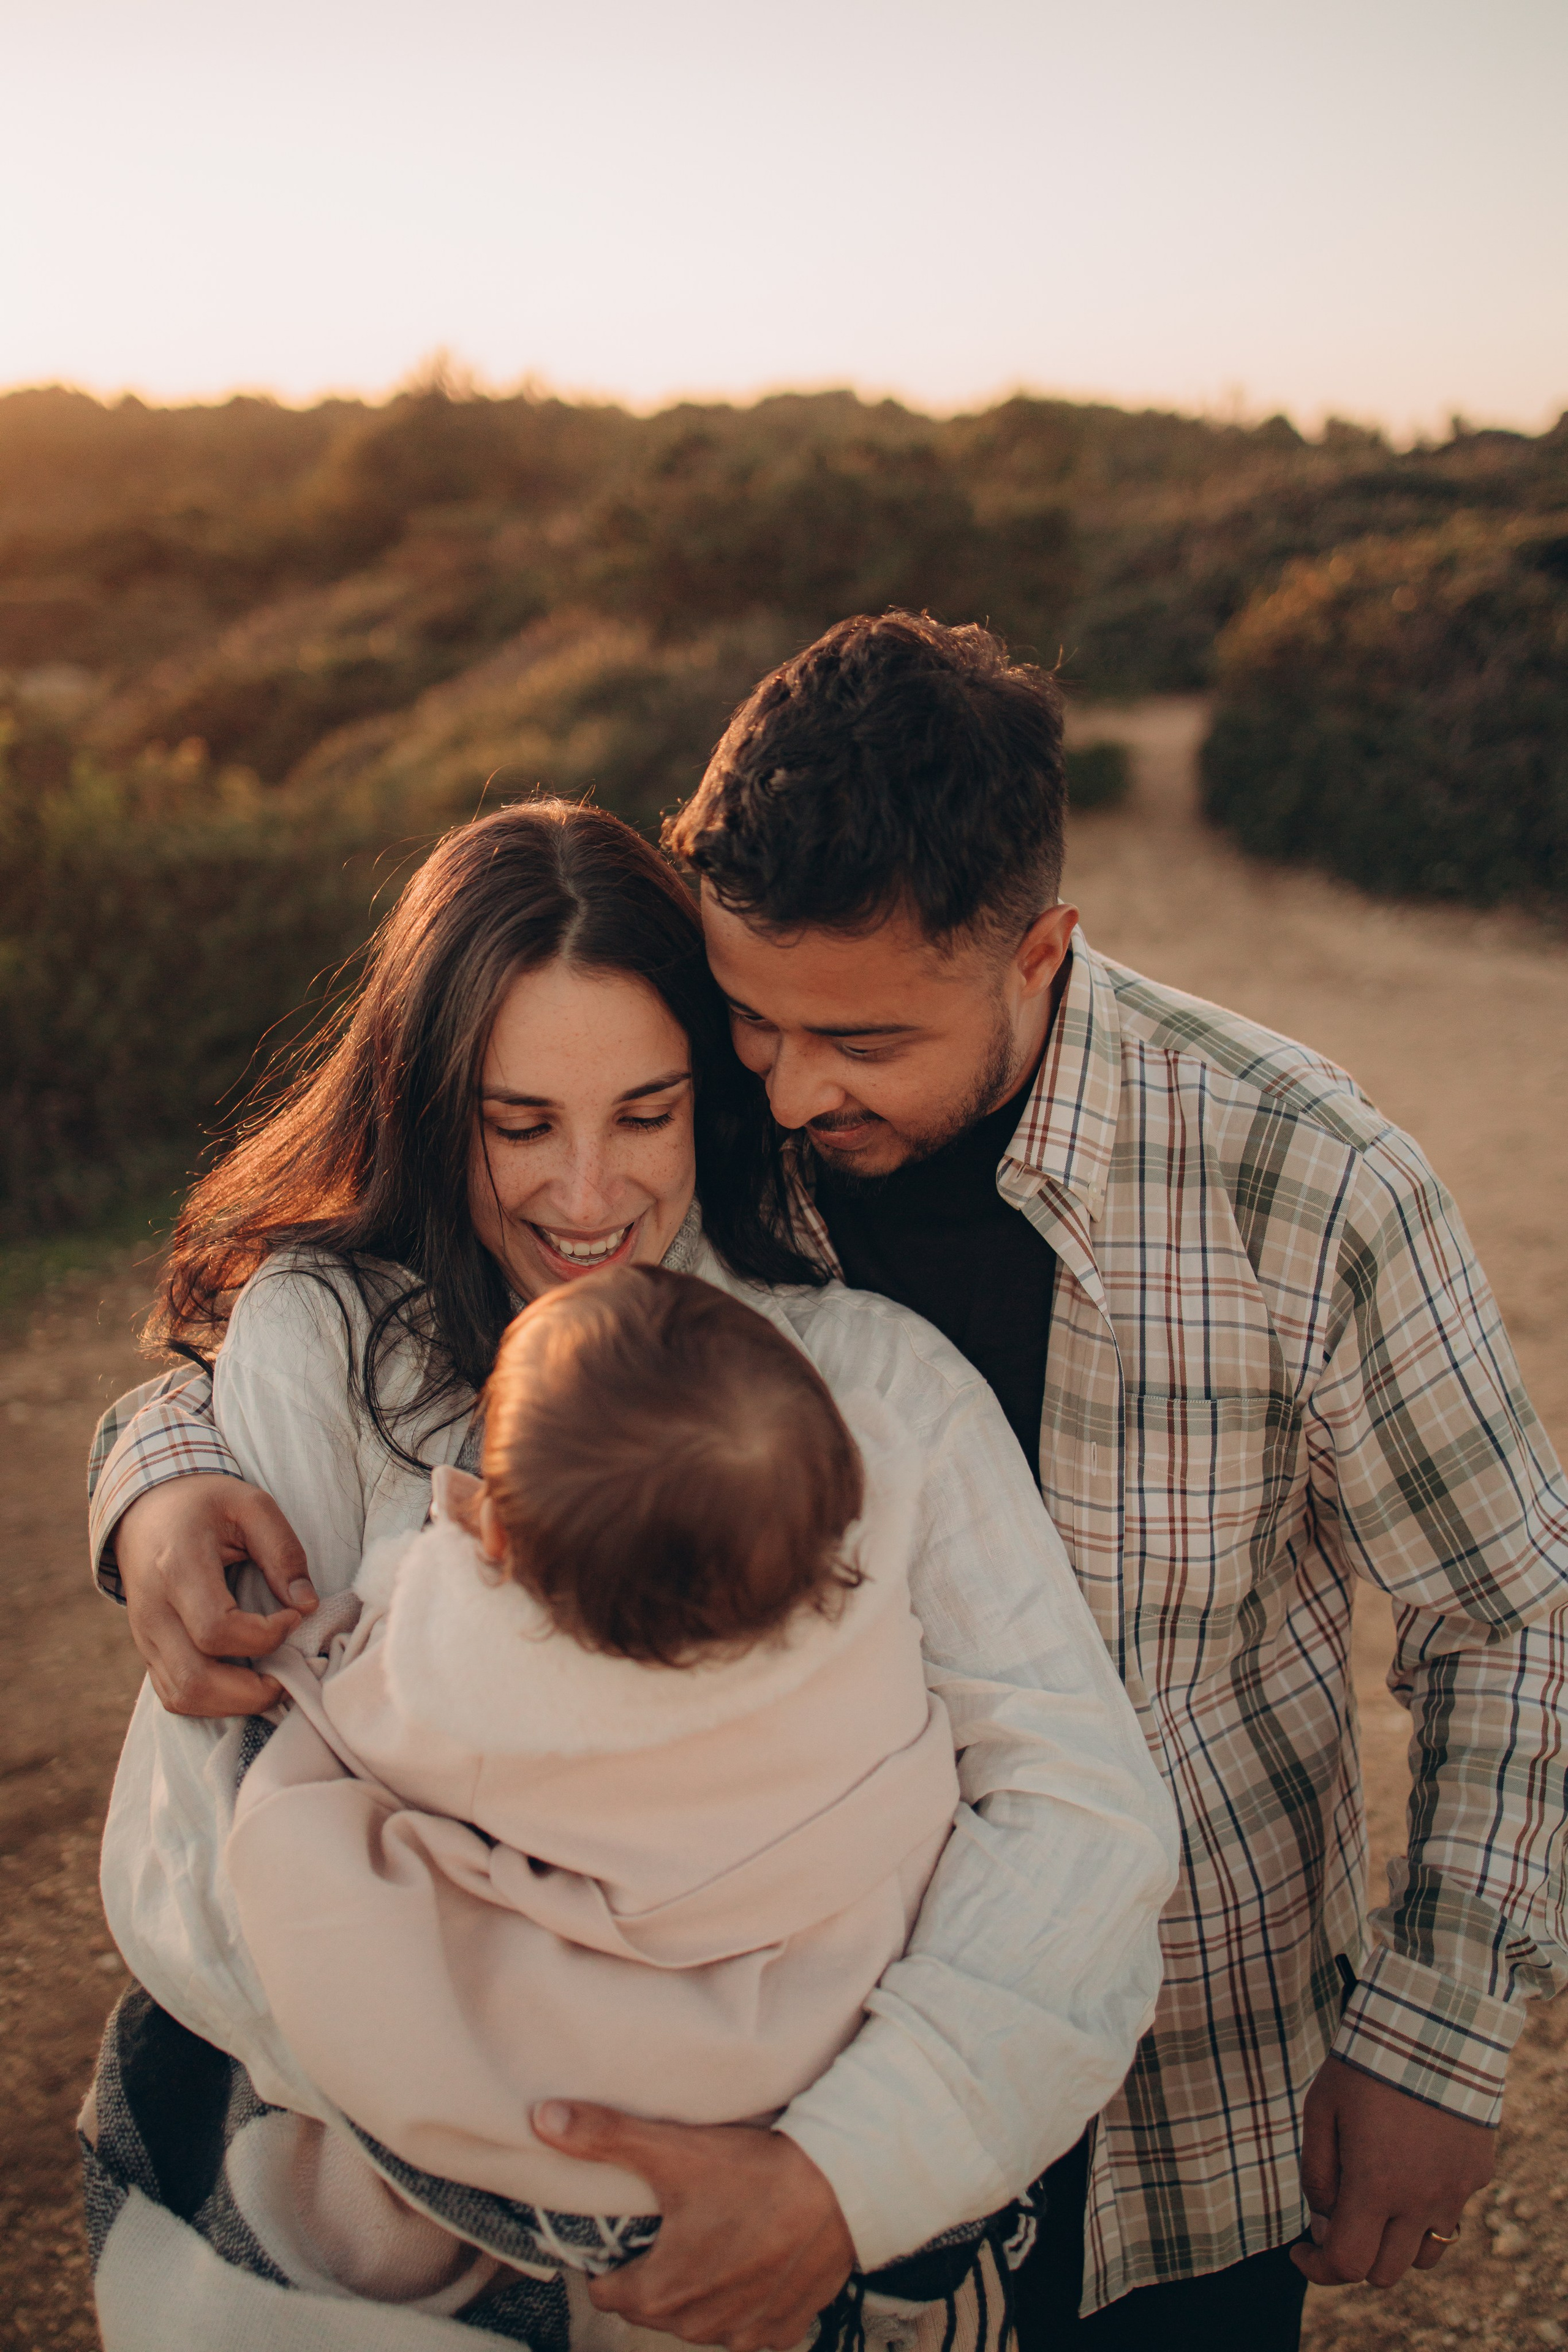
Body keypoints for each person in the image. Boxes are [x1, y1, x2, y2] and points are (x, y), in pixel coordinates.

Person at [98, 611, 1568, 2345]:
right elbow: (364, 1294)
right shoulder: (722, 1146)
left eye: (858, 1043)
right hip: (745, 2148)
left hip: (1184, 2083)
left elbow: (1511, 1611)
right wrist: (156, 1464)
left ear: (1041, 958)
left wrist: (1436, 2037)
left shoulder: (1298, 1182)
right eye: (747, 1027)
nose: (785, 1093)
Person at [85, 796, 1176, 2352]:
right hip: (376, 2241)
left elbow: (1075, 1811)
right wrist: (522, 2146)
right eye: (518, 1124)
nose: (586, 1197)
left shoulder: (868, 1386)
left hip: (794, 2204)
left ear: (716, 1102)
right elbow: (195, 1843)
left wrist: (832, 2170)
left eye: (645, 1114)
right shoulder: (320, 1343)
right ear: (427, 1103)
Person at [224, 1265, 962, 2288]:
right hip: (811, 2024)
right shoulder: (867, 1595)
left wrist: (399, 1607)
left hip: (622, 2087)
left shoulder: (490, 1691)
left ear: (506, 1546)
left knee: (293, 1827)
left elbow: (374, 1725)